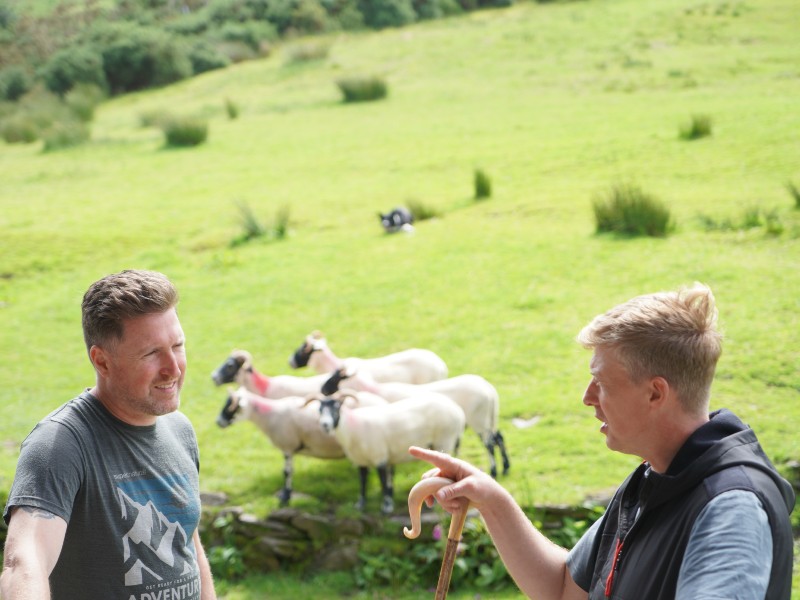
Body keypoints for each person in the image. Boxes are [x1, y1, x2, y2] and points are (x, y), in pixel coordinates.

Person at [409, 283, 795, 600]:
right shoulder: (654, 479)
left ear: (655, 393)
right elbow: (564, 588)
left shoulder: (732, 510)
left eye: (602, 383)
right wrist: (489, 497)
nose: (587, 397)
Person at [1, 270, 217, 600]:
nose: (173, 368)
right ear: (102, 362)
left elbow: (188, 545)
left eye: (177, 346)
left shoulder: (179, 430)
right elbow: (25, 561)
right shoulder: (60, 444)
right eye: (151, 353)